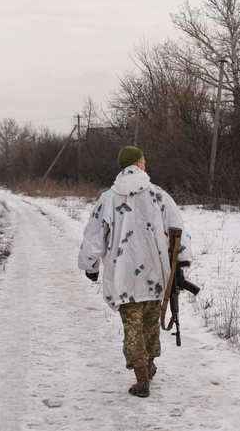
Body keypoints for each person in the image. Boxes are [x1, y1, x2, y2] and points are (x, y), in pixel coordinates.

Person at [78, 146, 193, 398]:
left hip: (124, 276)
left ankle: (143, 375)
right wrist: (182, 262)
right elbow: (177, 230)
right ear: (139, 164)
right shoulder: (159, 195)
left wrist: (90, 265)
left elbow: (95, 234)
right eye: (144, 160)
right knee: (151, 324)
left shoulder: (108, 198)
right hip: (156, 273)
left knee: (133, 327)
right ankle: (147, 368)